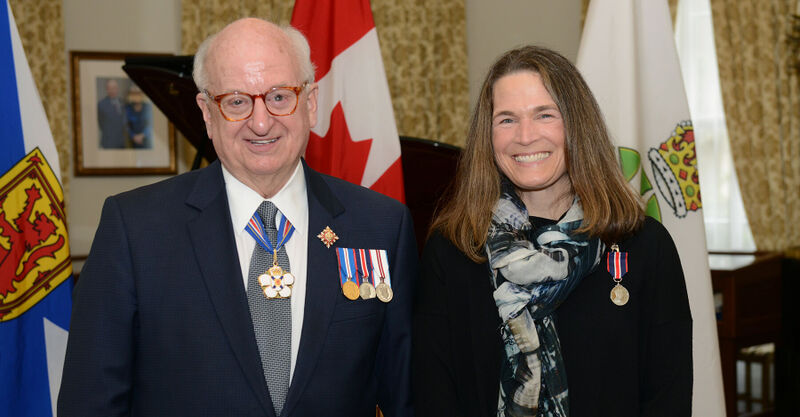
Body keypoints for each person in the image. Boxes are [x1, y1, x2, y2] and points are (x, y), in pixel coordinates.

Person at [59, 18, 416, 417]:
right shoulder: (135, 230)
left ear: (311, 104)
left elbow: (405, 396)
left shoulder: (382, 226)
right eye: (236, 101)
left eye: (280, 97)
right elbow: (89, 404)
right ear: (207, 114)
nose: (261, 122)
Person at [412, 45, 692, 417]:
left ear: (577, 124)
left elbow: (667, 397)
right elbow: (434, 397)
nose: (525, 137)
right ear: (488, 135)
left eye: (544, 115)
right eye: (507, 119)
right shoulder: (454, 249)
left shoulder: (643, 245)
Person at [97, 78, 126, 149]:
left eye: (114, 88)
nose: (113, 90)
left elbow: (124, 121)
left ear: (117, 89)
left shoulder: (123, 102)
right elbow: (100, 123)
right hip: (109, 143)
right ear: (107, 89)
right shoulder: (101, 104)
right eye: (110, 88)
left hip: (121, 142)